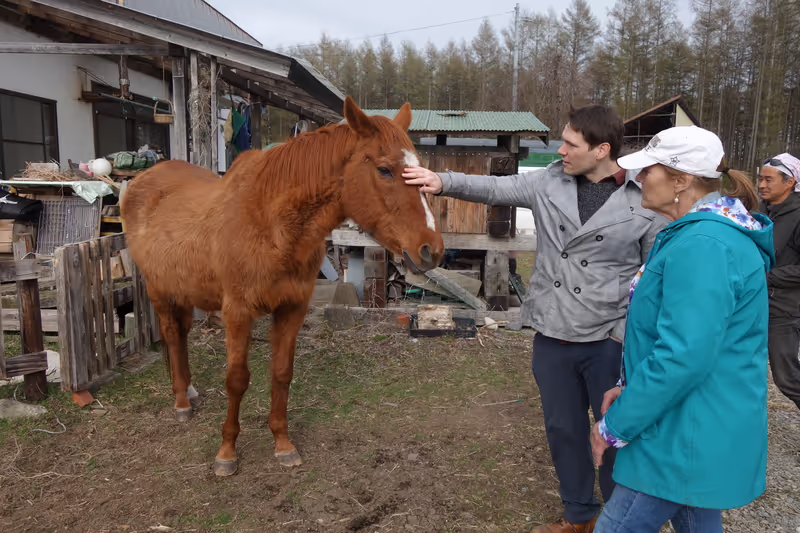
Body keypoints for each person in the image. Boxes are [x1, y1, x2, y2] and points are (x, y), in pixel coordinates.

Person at [403, 105, 667, 533]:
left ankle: (620, 520)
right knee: (562, 429)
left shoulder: (645, 199)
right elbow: (495, 187)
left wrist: (622, 337)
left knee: (615, 435)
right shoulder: (549, 182)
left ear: (602, 150)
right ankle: (579, 514)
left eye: (570, 144)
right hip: (553, 333)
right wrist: (441, 181)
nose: (559, 150)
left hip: (608, 340)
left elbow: (649, 279)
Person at [590, 126, 774, 533]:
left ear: (681, 180)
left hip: (680, 435)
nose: (639, 179)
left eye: (648, 170)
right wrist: (631, 383)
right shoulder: (698, 235)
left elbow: (682, 356)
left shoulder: (704, 245)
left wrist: (614, 426)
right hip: (692, 423)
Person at [757, 153, 800, 410]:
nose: (761, 184)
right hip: (759, 303)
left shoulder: (797, 216)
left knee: (786, 376)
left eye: (768, 179)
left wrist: (767, 277)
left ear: (789, 182)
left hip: (784, 309)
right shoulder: (764, 211)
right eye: (760, 179)